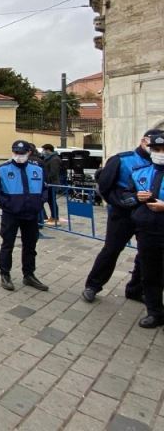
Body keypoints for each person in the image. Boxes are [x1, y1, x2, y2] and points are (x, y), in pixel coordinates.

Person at [81, 129, 162, 303]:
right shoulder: (122, 160)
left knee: (145, 255)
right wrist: (126, 201)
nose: (158, 150)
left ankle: (135, 289)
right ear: (143, 141)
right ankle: (93, 286)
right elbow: (105, 187)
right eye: (154, 145)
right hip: (122, 215)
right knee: (111, 250)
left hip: (149, 218)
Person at [0, 140, 49, 292]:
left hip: (31, 213)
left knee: (30, 245)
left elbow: (45, 188)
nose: (18, 156)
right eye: (16, 153)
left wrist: (40, 202)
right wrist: (5, 203)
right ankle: (5, 274)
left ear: (29, 153)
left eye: (22, 153)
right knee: (7, 244)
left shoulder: (37, 169)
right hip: (11, 214)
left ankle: (29, 274)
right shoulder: (2, 169)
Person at [125, 134, 164, 328]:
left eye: (163, 150)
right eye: (156, 150)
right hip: (147, 230)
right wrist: (136, 197)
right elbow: (126, 197)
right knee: (150, 273)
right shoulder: (140, 172)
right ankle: (154, 312)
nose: (160, 154)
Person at [40, 144, 61, 224]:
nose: (43, 152)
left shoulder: (54, 159)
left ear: (48, 150)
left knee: (52, 201)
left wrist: (45, 179)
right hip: (49, 183)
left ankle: (55, 217)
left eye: (44, 150)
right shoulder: (48, 158)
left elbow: (53, 172)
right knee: (50, 200)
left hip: (52, 183)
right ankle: (53, 216)